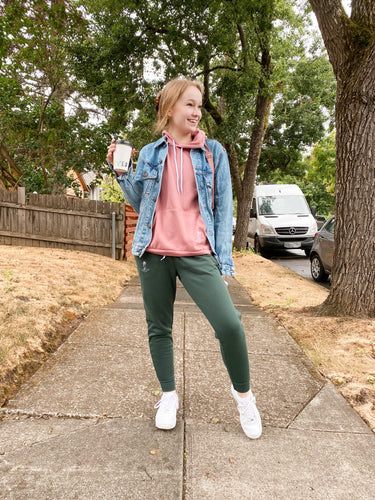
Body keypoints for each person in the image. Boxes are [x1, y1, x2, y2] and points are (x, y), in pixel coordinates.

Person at [106, 77, 262, 439]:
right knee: (159, 328)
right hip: (155, 253)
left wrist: (223, 263)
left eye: (199, 104)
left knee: (230, 324)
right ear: (170, 108)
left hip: (197, 253)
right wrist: (121, 173)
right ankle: (168, 396)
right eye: (190, 104)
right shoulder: (149, 153)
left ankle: (245, 398)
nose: (197, 112)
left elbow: (224, 209)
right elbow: (141, 203)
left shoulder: (215, 153)